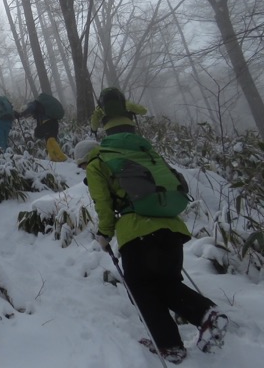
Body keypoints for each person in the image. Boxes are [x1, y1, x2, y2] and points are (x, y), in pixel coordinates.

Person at [76, 138, 229, 364]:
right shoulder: (128, 156)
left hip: (138, 234)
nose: (83, 171)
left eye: (81, 166)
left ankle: (170, 345)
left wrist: (104, 234)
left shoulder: (97, 164)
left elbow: (103, 204)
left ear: (85, 159)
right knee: (166, 284)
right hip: (171, 230)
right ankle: (206, 316)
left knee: (140, 289)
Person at [16, 92, 67, 161]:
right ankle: (55, 158)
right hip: (54, 122)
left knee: (50, 140)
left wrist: (21, 114)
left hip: (47, 123)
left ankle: (61, 157)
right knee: (50, 140)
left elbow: (30, 108)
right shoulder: (43, 106)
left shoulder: (34, 104)